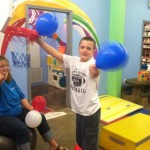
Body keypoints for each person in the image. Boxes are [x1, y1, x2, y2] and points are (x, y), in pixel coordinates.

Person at [36, 36, 101, 150]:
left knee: (89, 145)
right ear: (78, 48)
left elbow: (95, 72)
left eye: (88, 48)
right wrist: (39, 41)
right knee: (80, 141)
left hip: (90, 112)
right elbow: (55, 53)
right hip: (80, 111)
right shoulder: (73, 61)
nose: (85, 50)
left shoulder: (93, 65)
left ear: (93, 51)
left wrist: (95, 72)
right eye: (82, 47)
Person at [0, 55, 68, 150]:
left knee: (40, 117)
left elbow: (21, 97)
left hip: (18, 112)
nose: (5, 68)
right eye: (2, 66)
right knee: (22, 129)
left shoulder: (11, 81)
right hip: (3, 117)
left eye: (7, 65)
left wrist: (31, 109)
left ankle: (54, 145)